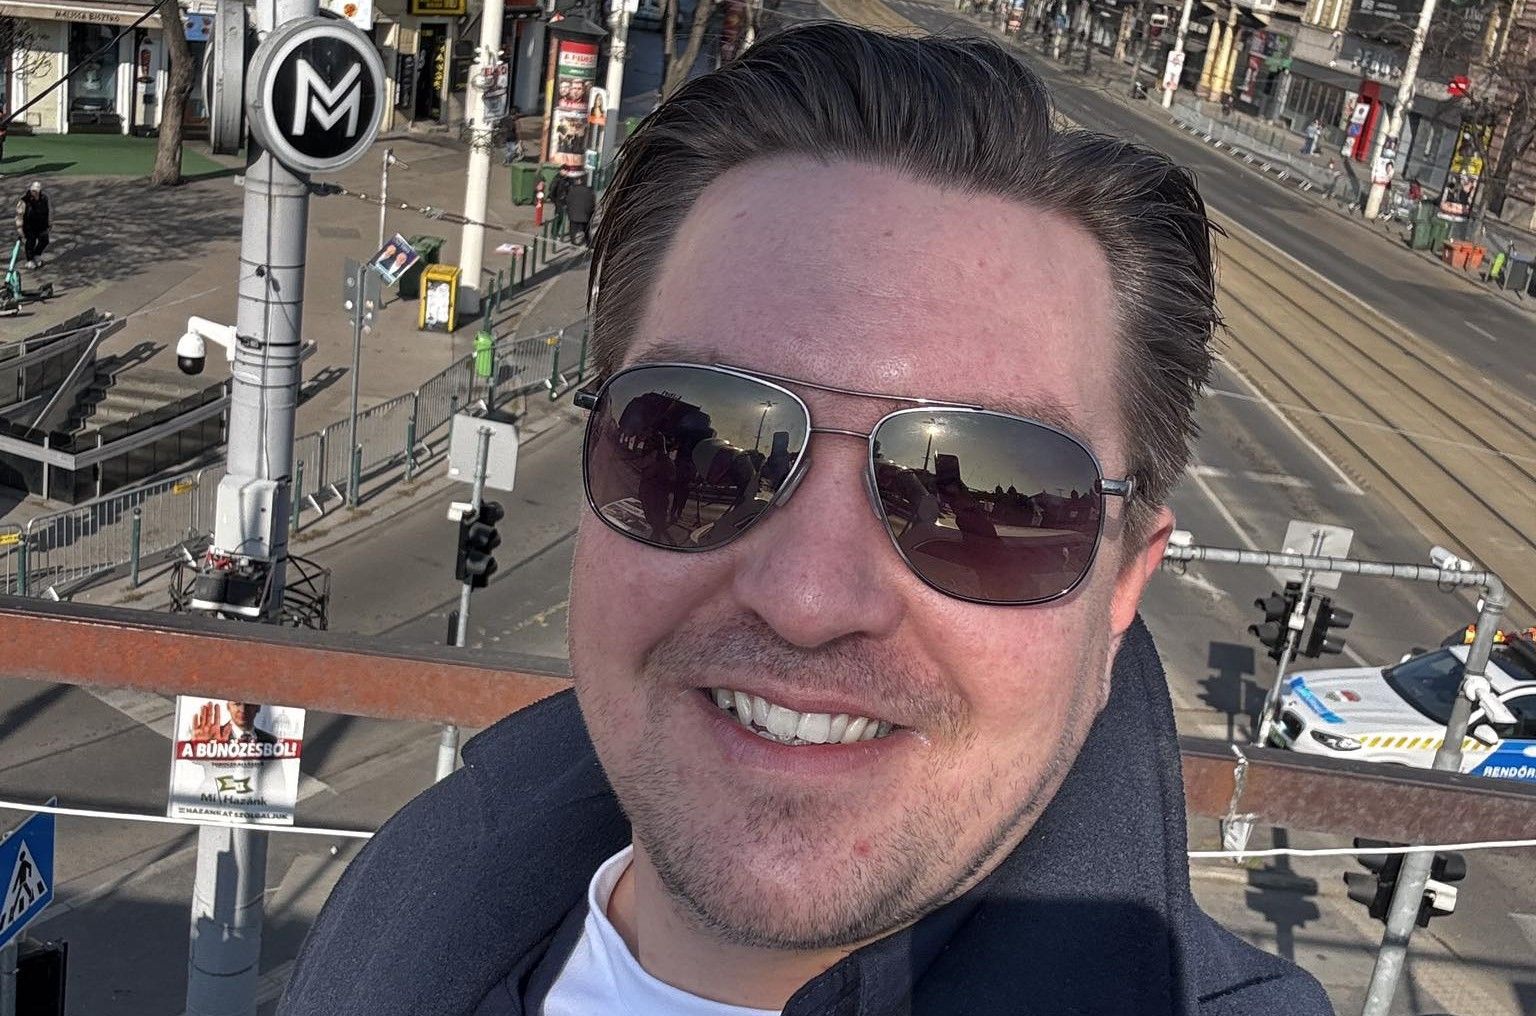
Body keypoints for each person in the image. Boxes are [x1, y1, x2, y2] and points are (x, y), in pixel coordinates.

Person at [280, 24, 1333, 1016]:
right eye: (698, 440)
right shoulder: (423, 873)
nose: (807, 597)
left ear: (1126, 581)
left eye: (974, 491)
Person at [190, 701, 277, 745]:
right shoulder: (211, 738)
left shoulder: (271, 741)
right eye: (237, 704)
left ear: (258, 707)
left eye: (249, 704)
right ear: (228, 706)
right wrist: (200, 750)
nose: (242, 710)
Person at [15, 180, 49, 269]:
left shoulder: (44, 198)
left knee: (45, 240)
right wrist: (19, 228)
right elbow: (19, 215)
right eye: (33, 190)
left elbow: (47, 211)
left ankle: (37, 255)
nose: (34, 192)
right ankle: (29, 260)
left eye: (36, 190)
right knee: (31, 242)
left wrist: (49, 222)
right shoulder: (24, 201)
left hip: (41, 225)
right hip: (29, 226)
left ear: (39, 190)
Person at [563, 171, 595, 246]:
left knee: (572, 230)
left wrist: (569, 211)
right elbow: (591, 203)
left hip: (573, 214)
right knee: (586, 230)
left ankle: (573, 242)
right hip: (585, 215)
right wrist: (590, 213)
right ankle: (589, 243)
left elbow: (568, 201)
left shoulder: (572, 190)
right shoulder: (588, 190)